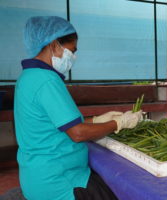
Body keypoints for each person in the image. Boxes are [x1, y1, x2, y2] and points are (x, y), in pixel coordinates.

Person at [14, 16, 142, 200]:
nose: (73, 57)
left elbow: (56, 124)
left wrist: (98, 120)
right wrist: (118, 123)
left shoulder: (29, 76)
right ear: (54, 45)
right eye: (71, 50)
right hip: (61, 181)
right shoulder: (46, 80)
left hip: (37, 175)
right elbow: (78, 133)